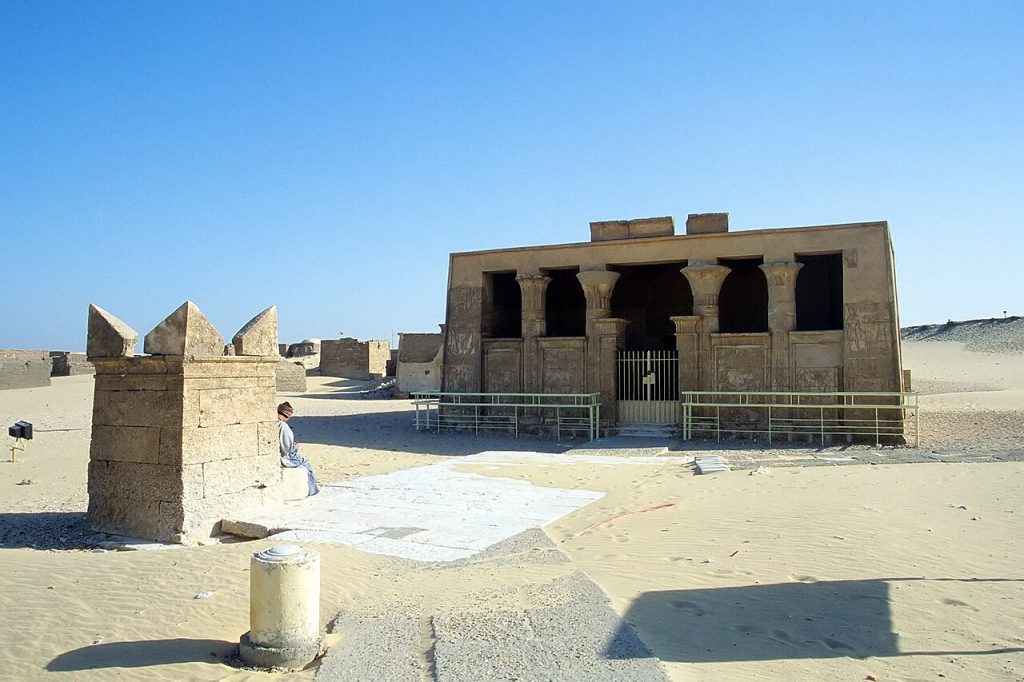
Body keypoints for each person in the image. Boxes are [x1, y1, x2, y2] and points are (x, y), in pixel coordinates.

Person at [277, 401, 319, 496]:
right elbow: (286, 449)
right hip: (285, 458)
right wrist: (295, 447)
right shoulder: (283, 426)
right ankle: (312, 490)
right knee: (305, 463)